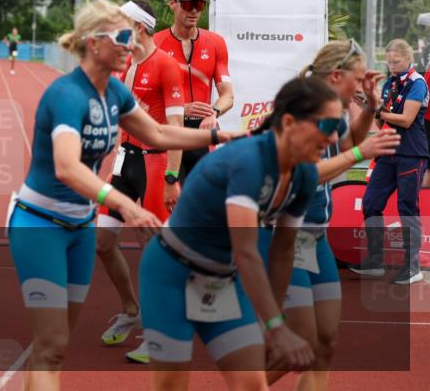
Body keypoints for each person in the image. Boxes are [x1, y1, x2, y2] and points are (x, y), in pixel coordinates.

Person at [7, 0, 242, 390]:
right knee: (49, 345)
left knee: (57, 348)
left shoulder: (114, 90)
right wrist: (123, 204)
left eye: (131, 36)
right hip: (40, 225)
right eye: (120, 36)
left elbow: (159, 133)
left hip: (79, 228)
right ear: (91, 42)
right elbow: (67, 166)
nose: (129, 45)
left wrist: (219, 134)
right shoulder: (67, 95)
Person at [139, 77, 345, 390]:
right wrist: (276, 327)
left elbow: (282, 251)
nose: (333, 137)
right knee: (171, 386)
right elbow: (246, 251)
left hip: (221, 279)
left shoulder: (303, 174)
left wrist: (273, 318)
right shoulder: (249, 161)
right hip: (171, 274)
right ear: (289, 122)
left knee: (251, 385)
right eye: (327, 125)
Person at [262, 40, 399, 390]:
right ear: (337, 75)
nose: (361, 82)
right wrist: (359, 153)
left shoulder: (333, 107)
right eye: (357, 78)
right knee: (302, 345)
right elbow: (304, 172)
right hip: (287, 236)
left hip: (315, 237)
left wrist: (369, 106)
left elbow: (348, 140)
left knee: (325, 344)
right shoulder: (306, 107)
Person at [95, 0, 183, 364]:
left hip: (154, 163)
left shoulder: (166, 64)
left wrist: (171, 178)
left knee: (155, 254)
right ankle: (132, 309)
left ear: (140, 27)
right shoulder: (122, 62)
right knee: (102, 241)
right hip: (123, 163)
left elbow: (175, 129)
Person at [351, 39, 429, 284]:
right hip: (389, 150)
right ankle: (375, 260)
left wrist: (374, 109)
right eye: (389, 61)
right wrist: (369, 108)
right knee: (371, 201)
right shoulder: (390, 82)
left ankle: (412, 267)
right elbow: (383, 122)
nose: (392, 66)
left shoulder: (418, 82)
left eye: (396, 62)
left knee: (407, 207)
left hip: (411, 153)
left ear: (408, 58)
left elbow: (405, 120)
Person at [155, 0, 234, 184]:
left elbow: (228, 95)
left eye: (199, 5)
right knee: (168, 204)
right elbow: (144, 98)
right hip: (170, 135)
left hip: (201, 137)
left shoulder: (215, 43)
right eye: (188, 4)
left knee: (199, 206)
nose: (194, 11)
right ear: (172, 4)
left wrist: (214, 112)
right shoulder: (156, 44)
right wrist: (180, 108)